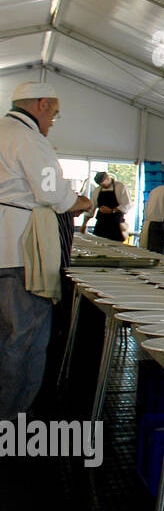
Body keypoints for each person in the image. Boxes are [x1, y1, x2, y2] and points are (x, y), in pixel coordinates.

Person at [0, 82, 92, 418]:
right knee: (23, 339)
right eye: (53, 113)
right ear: (41, 104)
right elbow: (54, 194)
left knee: (6, 335)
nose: (52, 121)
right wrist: (79, 202)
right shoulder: (28, 139)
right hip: (19, 253)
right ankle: (11, 418)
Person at [81, 171, 131, 241]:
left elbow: (126, 205)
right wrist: (84, 224)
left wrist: (111, 210)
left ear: (108, 178)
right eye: (100, 185)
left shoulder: (120, 187)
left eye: (103, 184)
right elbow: (91, 209)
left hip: (116, 224)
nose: (102, 186)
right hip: (101, 224)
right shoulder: (97, 190)